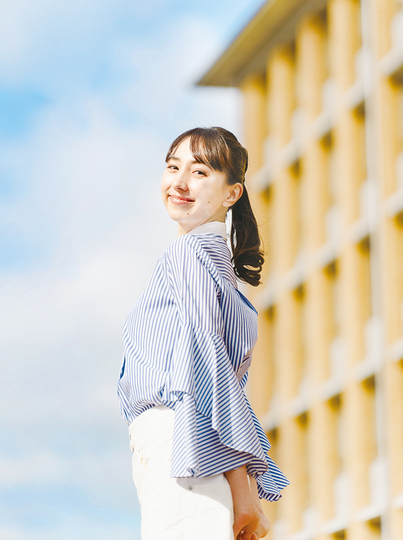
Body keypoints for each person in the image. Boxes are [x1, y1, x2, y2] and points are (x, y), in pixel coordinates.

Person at [117, 127, 289, 540]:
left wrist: (244, 493)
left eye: (199, 172)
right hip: (188, 446)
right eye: (173, 167)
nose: (179, 182)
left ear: (232, 193)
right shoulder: (213, 263)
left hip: (180, 442)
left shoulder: (191, 252)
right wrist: (242, 487)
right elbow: (216, 381)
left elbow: (205, 371)